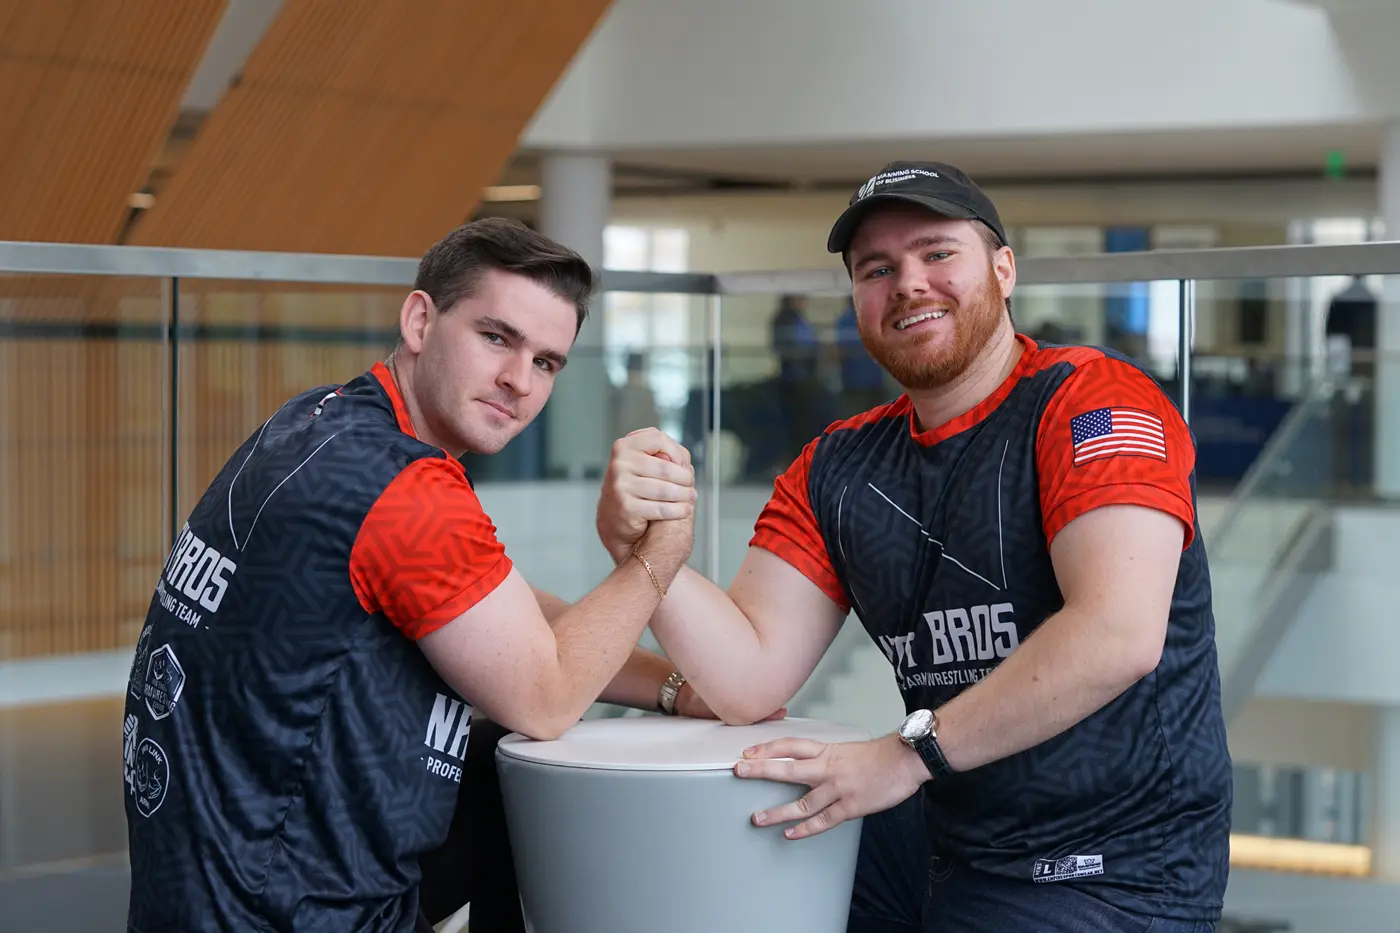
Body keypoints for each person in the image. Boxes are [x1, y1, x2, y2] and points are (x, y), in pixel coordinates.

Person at [597, 162, 1232, 932]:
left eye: (937, 253)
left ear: (1003, 269)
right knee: (720, 855)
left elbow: (1117, 635)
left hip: (1114, 871)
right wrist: (647, 548)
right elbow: (746, 678)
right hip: (947, 840)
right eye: (877, 268)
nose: (907, 283)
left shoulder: (1091, 401)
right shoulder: (838, 466)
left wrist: (903, 757)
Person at [122, 217, 710, 933]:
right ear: (420, 319)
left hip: (199, 890)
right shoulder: (407, 489)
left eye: (547, 361)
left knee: (503, 771)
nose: (517, 381)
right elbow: (546, 695)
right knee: (546, 766)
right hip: (284, 910)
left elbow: (502, 612)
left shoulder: (318, 420)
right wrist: (660, 553)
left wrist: (676, 689)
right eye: (496, 337)